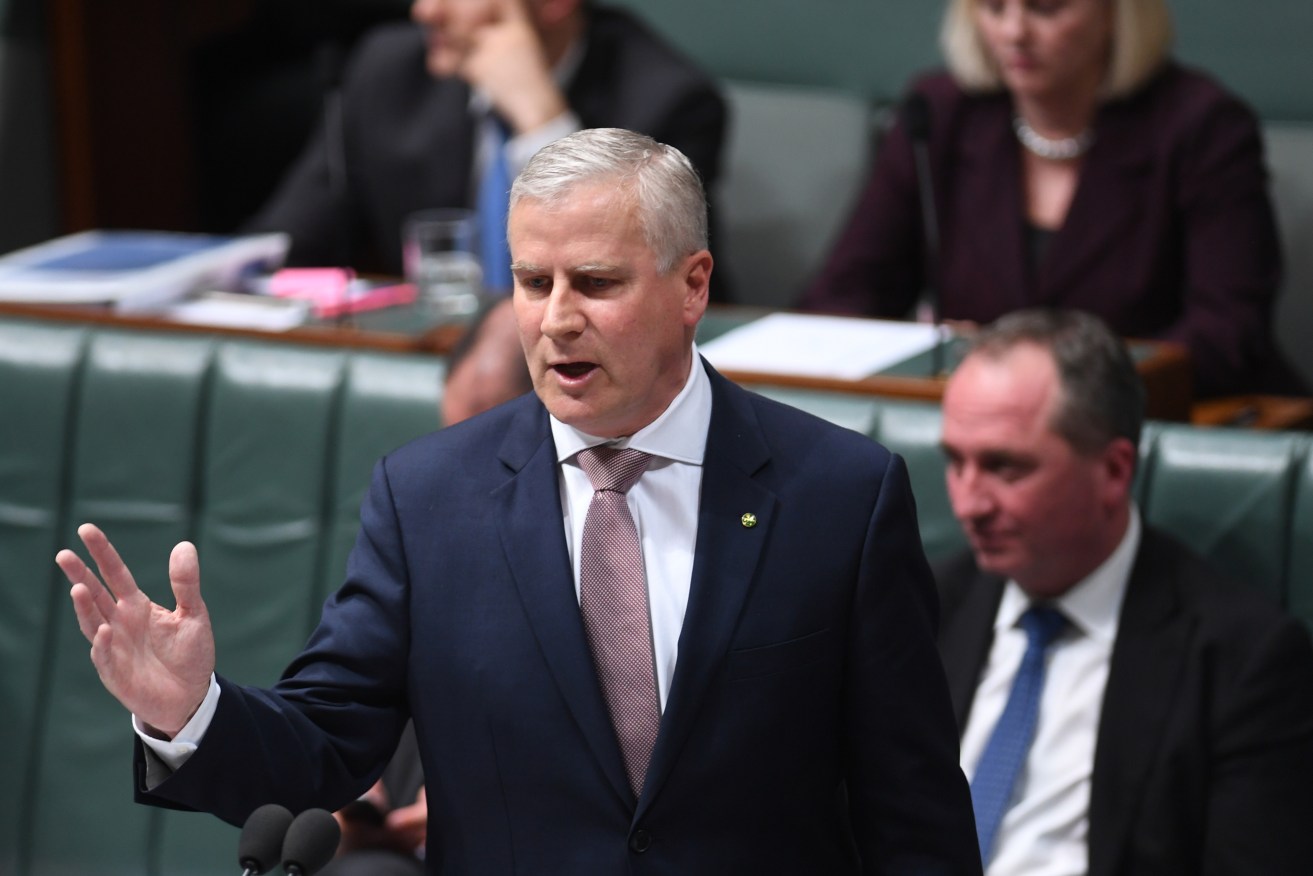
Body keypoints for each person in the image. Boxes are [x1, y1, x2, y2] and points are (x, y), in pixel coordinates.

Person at [58, 128, 981, 874]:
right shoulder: (427, 501)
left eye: (596, 283)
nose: (554, 319)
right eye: (532, 283)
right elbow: (327, 747)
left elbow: (914, 815)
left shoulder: (839, 497)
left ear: (692, 284)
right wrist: (191, 711)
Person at [935, 307, 1313, 875]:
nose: (968, 504)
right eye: (954, 463)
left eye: (1004, 468)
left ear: (1113, 471)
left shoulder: (1243, 661)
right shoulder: (923, 606)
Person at [802, 0, 1300, 399]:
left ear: (1115, 13)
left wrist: (1044, 379)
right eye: (994, 7)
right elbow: (842, 294)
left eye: (1045, 8)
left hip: (1162, 428)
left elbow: (1227, 333)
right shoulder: (940, 115)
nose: (1014, 32)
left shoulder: (1201, 127)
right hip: (982, 430)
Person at [244, 0, 729, 297]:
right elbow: (280, 242)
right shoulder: (388, 72)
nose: (425, 10)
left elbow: (634, 285)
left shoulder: (667, 101)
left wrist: (540, 119)